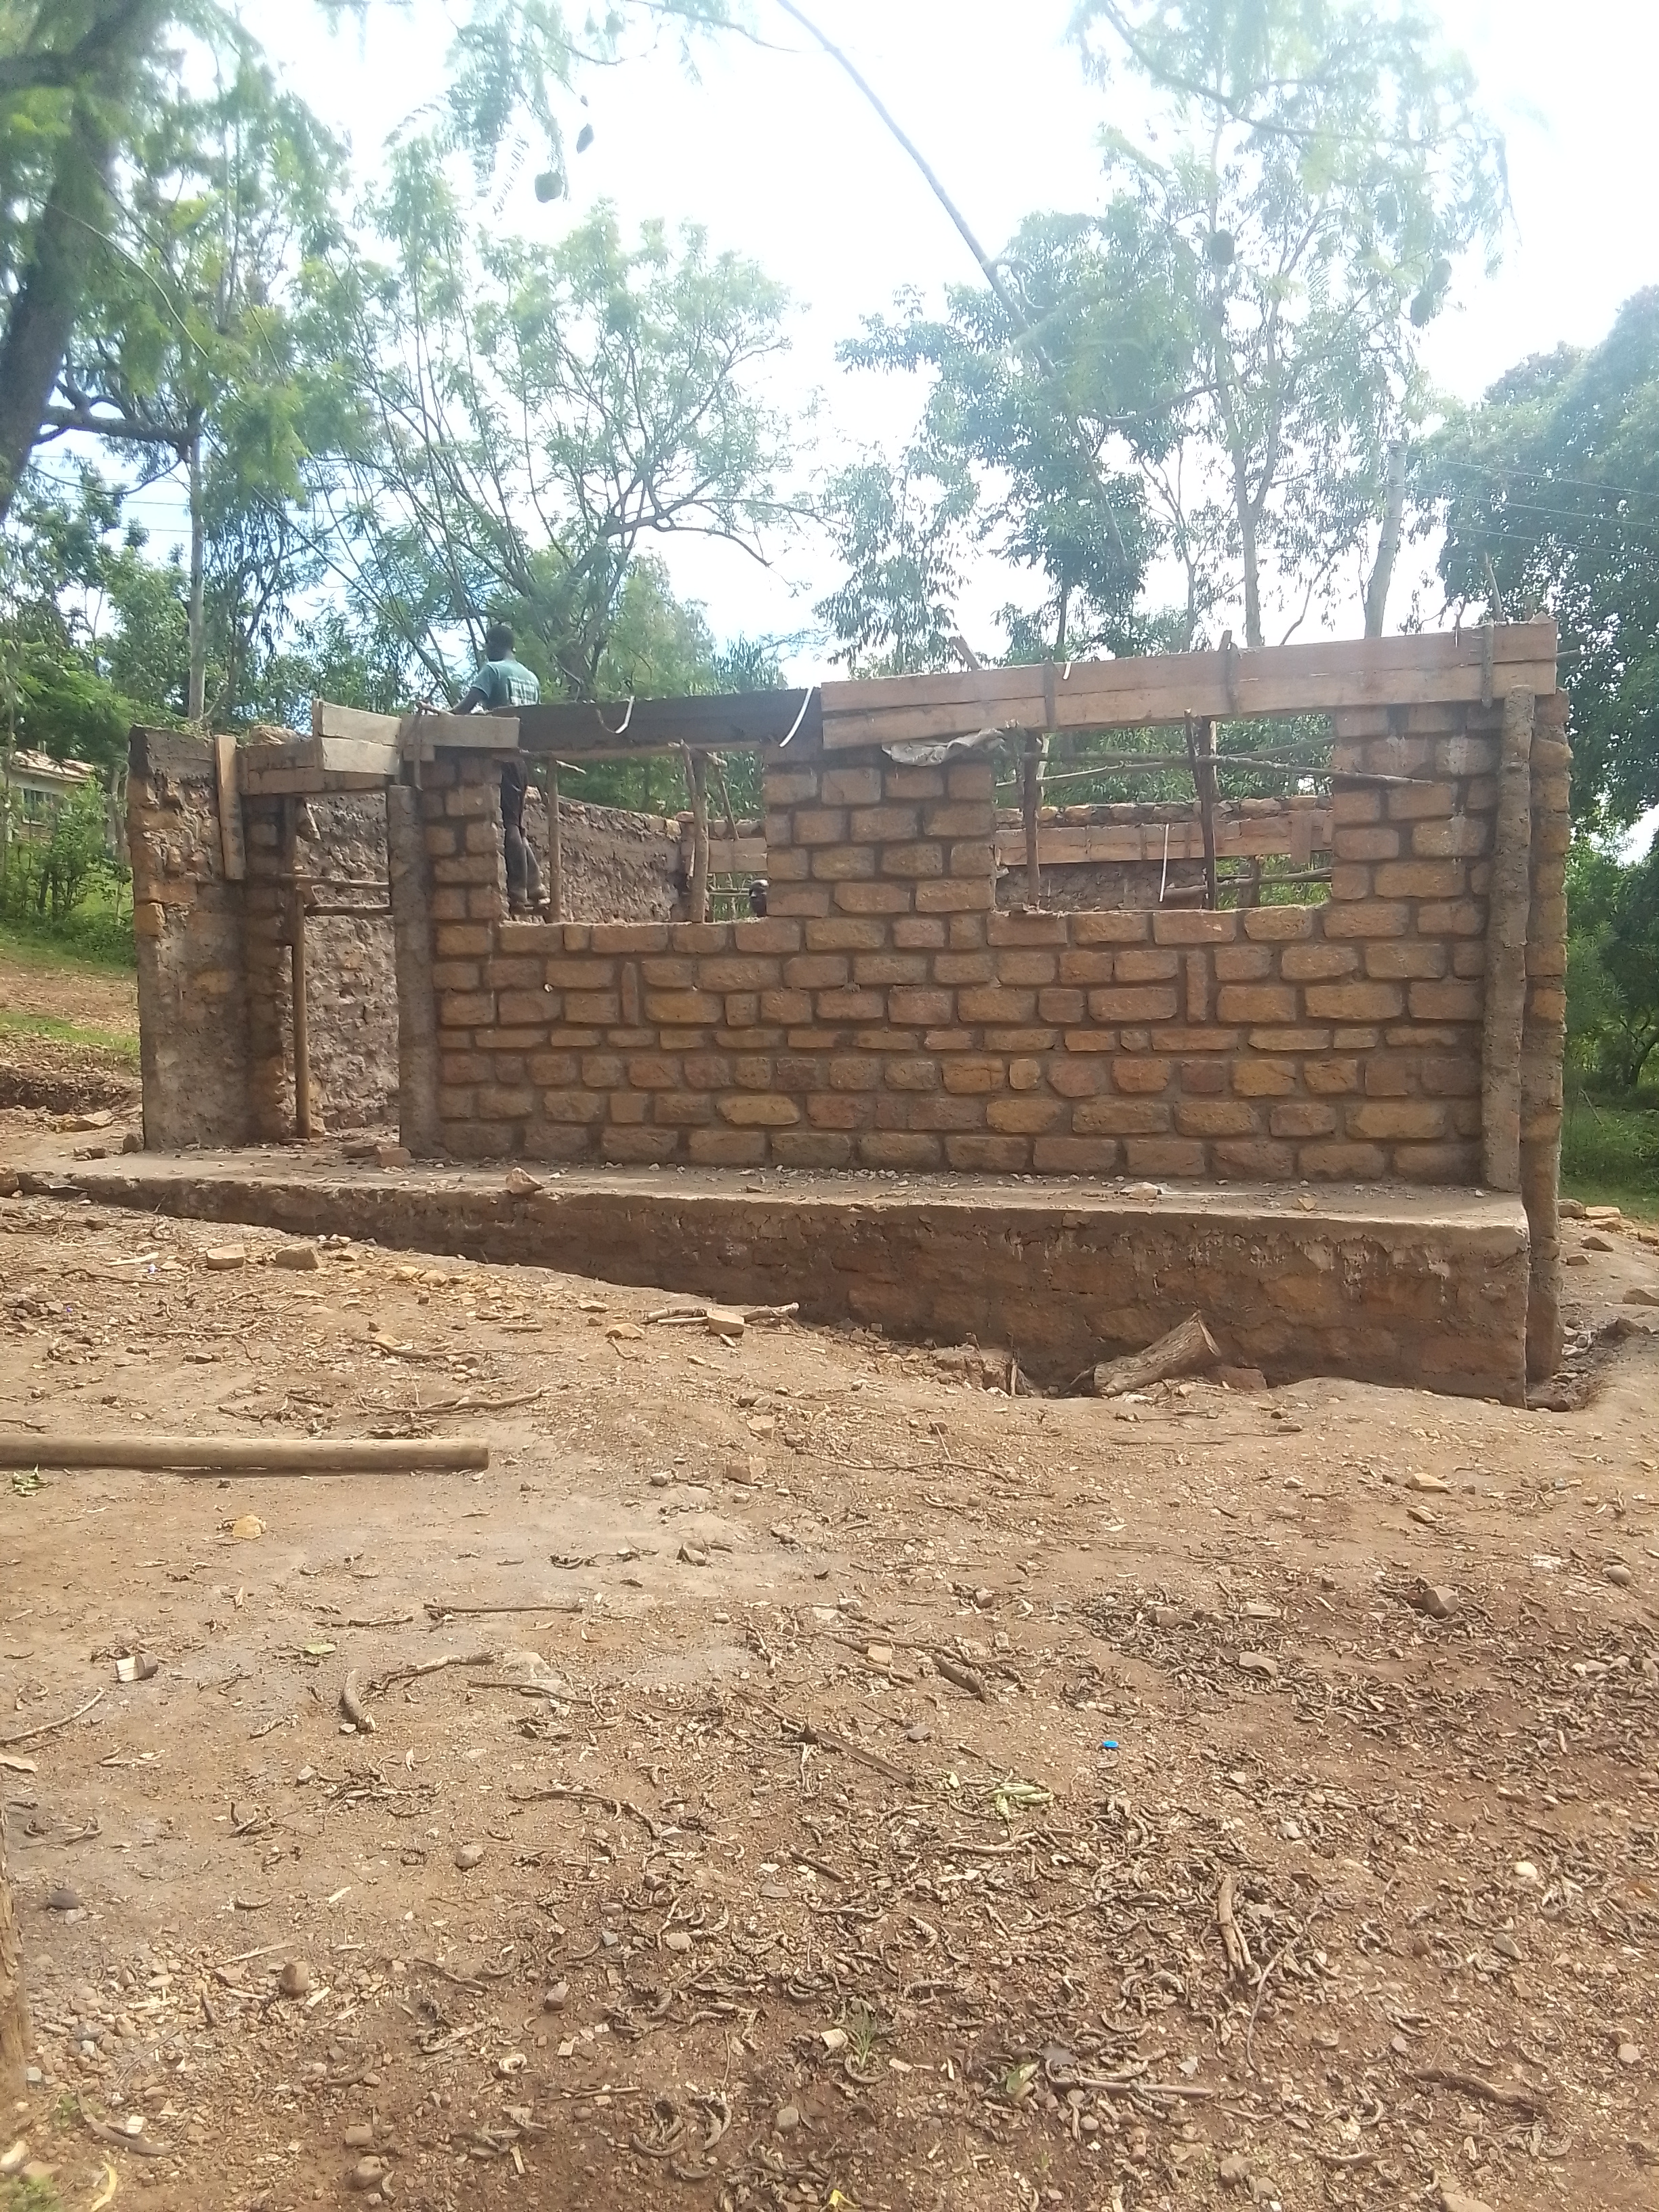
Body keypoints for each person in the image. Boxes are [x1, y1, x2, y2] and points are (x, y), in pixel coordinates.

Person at [457, 622, 548, 919]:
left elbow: (466, 707)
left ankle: (518, 892)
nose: (486, 650)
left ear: (493, 645)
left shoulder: (493, 671)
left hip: (503, 756)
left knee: (510, 825)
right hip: (524, 758)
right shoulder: (531, 678)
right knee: (516, 824)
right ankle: (536, 886)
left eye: (487, 645)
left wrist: (442, 718)